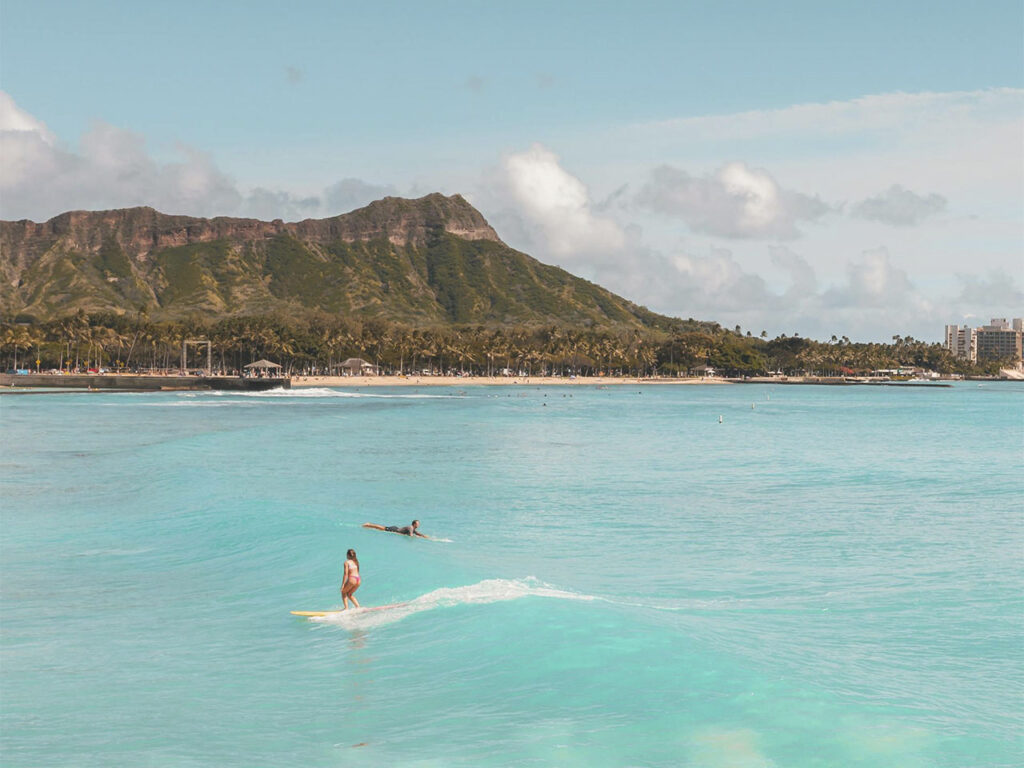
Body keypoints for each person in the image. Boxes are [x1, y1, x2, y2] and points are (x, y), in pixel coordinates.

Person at [361, 519, 429, 538]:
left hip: (396, 529)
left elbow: (417, 533)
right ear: (414, 524)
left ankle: (369, 524)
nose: (418, 525)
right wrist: (415, 537)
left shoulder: (412, 528)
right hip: (394, 529)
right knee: (381, 528)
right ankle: (369, 524)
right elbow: (411, 535)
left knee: (382, 528)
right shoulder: (410, 527)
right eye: (417, 524)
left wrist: (424, 536)